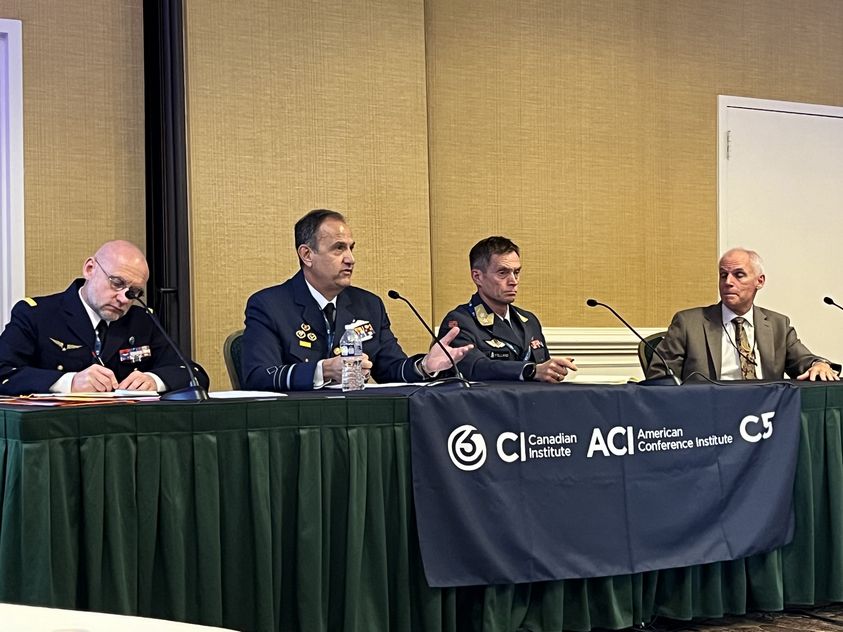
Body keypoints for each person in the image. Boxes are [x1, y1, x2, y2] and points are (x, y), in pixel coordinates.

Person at [240, 209, 472, 391]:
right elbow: (257, 376)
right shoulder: (269, 305)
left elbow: (391, 370)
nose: (350, 259)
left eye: (351, 248)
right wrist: (322, 371)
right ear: (307, 255)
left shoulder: (368, 305)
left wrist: (424, 366)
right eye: (338, 248)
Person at [0, 240, 209, 395]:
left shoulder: (142, 321)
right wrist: (69, 382)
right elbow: (4, 372)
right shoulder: (37, 315)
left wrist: (154, 380)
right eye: (117, 283)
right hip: (55, 430)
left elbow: (195, 373)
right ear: (90, 269)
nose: (123, 298)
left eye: (133, 292)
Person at [647, 247, 839, 382]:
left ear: (759, 281)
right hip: (709, 414)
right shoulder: (689, 323)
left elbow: (802, 360)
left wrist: (819, 364)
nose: (728, 282)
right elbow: (660, 375)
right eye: (723, 275)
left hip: (766, 416)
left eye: (739, 275)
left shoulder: (778, 324)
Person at [436, 236, 576, 382]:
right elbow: (476, 367)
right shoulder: (460, 322)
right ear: (477, 277)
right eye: (502, 273)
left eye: (516, 272)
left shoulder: (529, 321)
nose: (513, 281)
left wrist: (553, 371)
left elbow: (543, 372)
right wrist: (529, 370)